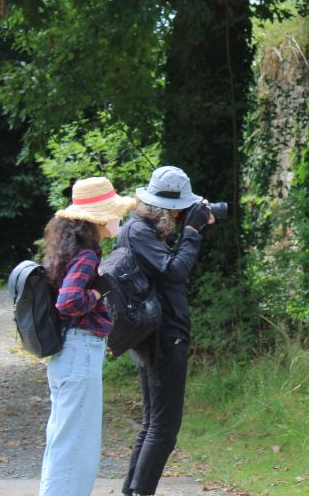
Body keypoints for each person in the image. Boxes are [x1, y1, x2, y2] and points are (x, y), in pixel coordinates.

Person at [118, 166, 215, 496]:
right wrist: (192, 232)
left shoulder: (140, 228)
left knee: (152, 423)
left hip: (154, 334)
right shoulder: (139, 232)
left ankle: (132, 491)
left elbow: (162, 268)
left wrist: (186, 228)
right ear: (170, 208)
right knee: (164, 427)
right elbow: (176, 270)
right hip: (162, 337)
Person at [38, 177, 136, 496]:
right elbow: (68, 302)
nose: (118, 216)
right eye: (114, 210)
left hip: (67, 354)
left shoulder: (72, 251)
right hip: (80, 352)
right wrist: (96, 293)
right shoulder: (87, 255)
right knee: (76, 450)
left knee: (63, 445)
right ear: (100, 217)